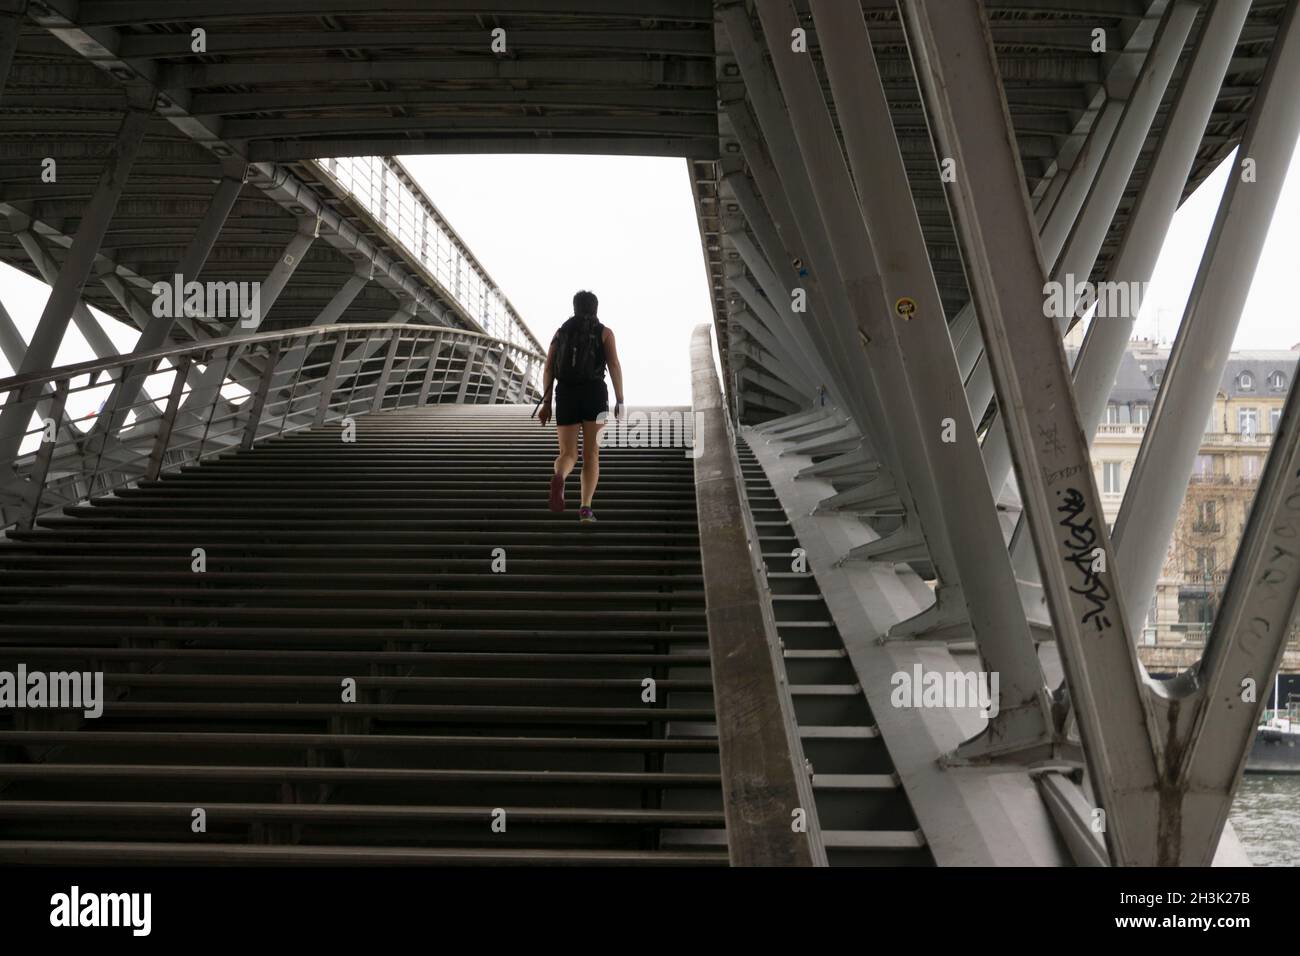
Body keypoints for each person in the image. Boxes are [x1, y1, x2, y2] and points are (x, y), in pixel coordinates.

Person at [537, 290, 624, 523]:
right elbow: (614, 365)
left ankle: (560, 476)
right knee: (591, 454)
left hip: (565, 393)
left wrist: (546, 404)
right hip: (595, 393)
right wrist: (620, 399)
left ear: (574, 307)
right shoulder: (604, 333)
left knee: (567, 453)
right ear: (596, 308)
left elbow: (548, 368)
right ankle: (585, 509)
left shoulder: (560, 332)